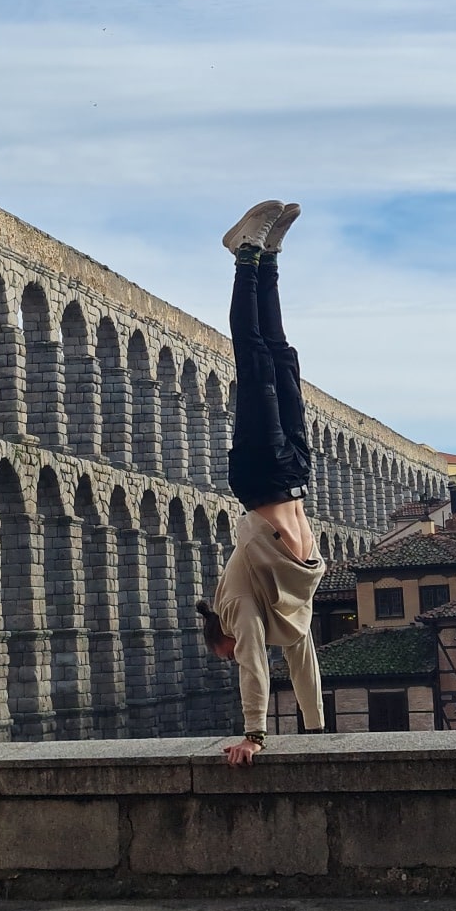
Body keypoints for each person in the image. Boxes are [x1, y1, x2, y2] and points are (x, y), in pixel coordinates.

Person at [196, 200, 326, 766]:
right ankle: (269, 259)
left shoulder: (235, 605)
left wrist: (255, 736)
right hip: (294, 477)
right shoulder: (285, 612)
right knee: (282, 357)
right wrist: (318, 732)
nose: (232, 655)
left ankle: (242, 255)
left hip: (260, 477)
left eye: (221, 655)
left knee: (252, 360)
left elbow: (250, 658)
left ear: (219, 636)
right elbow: (303, 657)